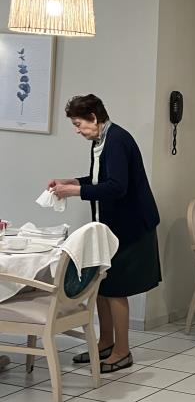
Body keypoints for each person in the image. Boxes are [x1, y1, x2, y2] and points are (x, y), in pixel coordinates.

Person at [49, 95, 161, 373]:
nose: (77, 130)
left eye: (78, 124)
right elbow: (99, 180)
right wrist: (71, 182)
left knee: (116, 288)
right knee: (102, 285)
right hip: (110, 226)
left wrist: (73, 192)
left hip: (130, 227)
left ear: (93, 118)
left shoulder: (117, 141)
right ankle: (106, 343)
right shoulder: (100, 140)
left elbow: (117, 187)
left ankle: (122, 352)